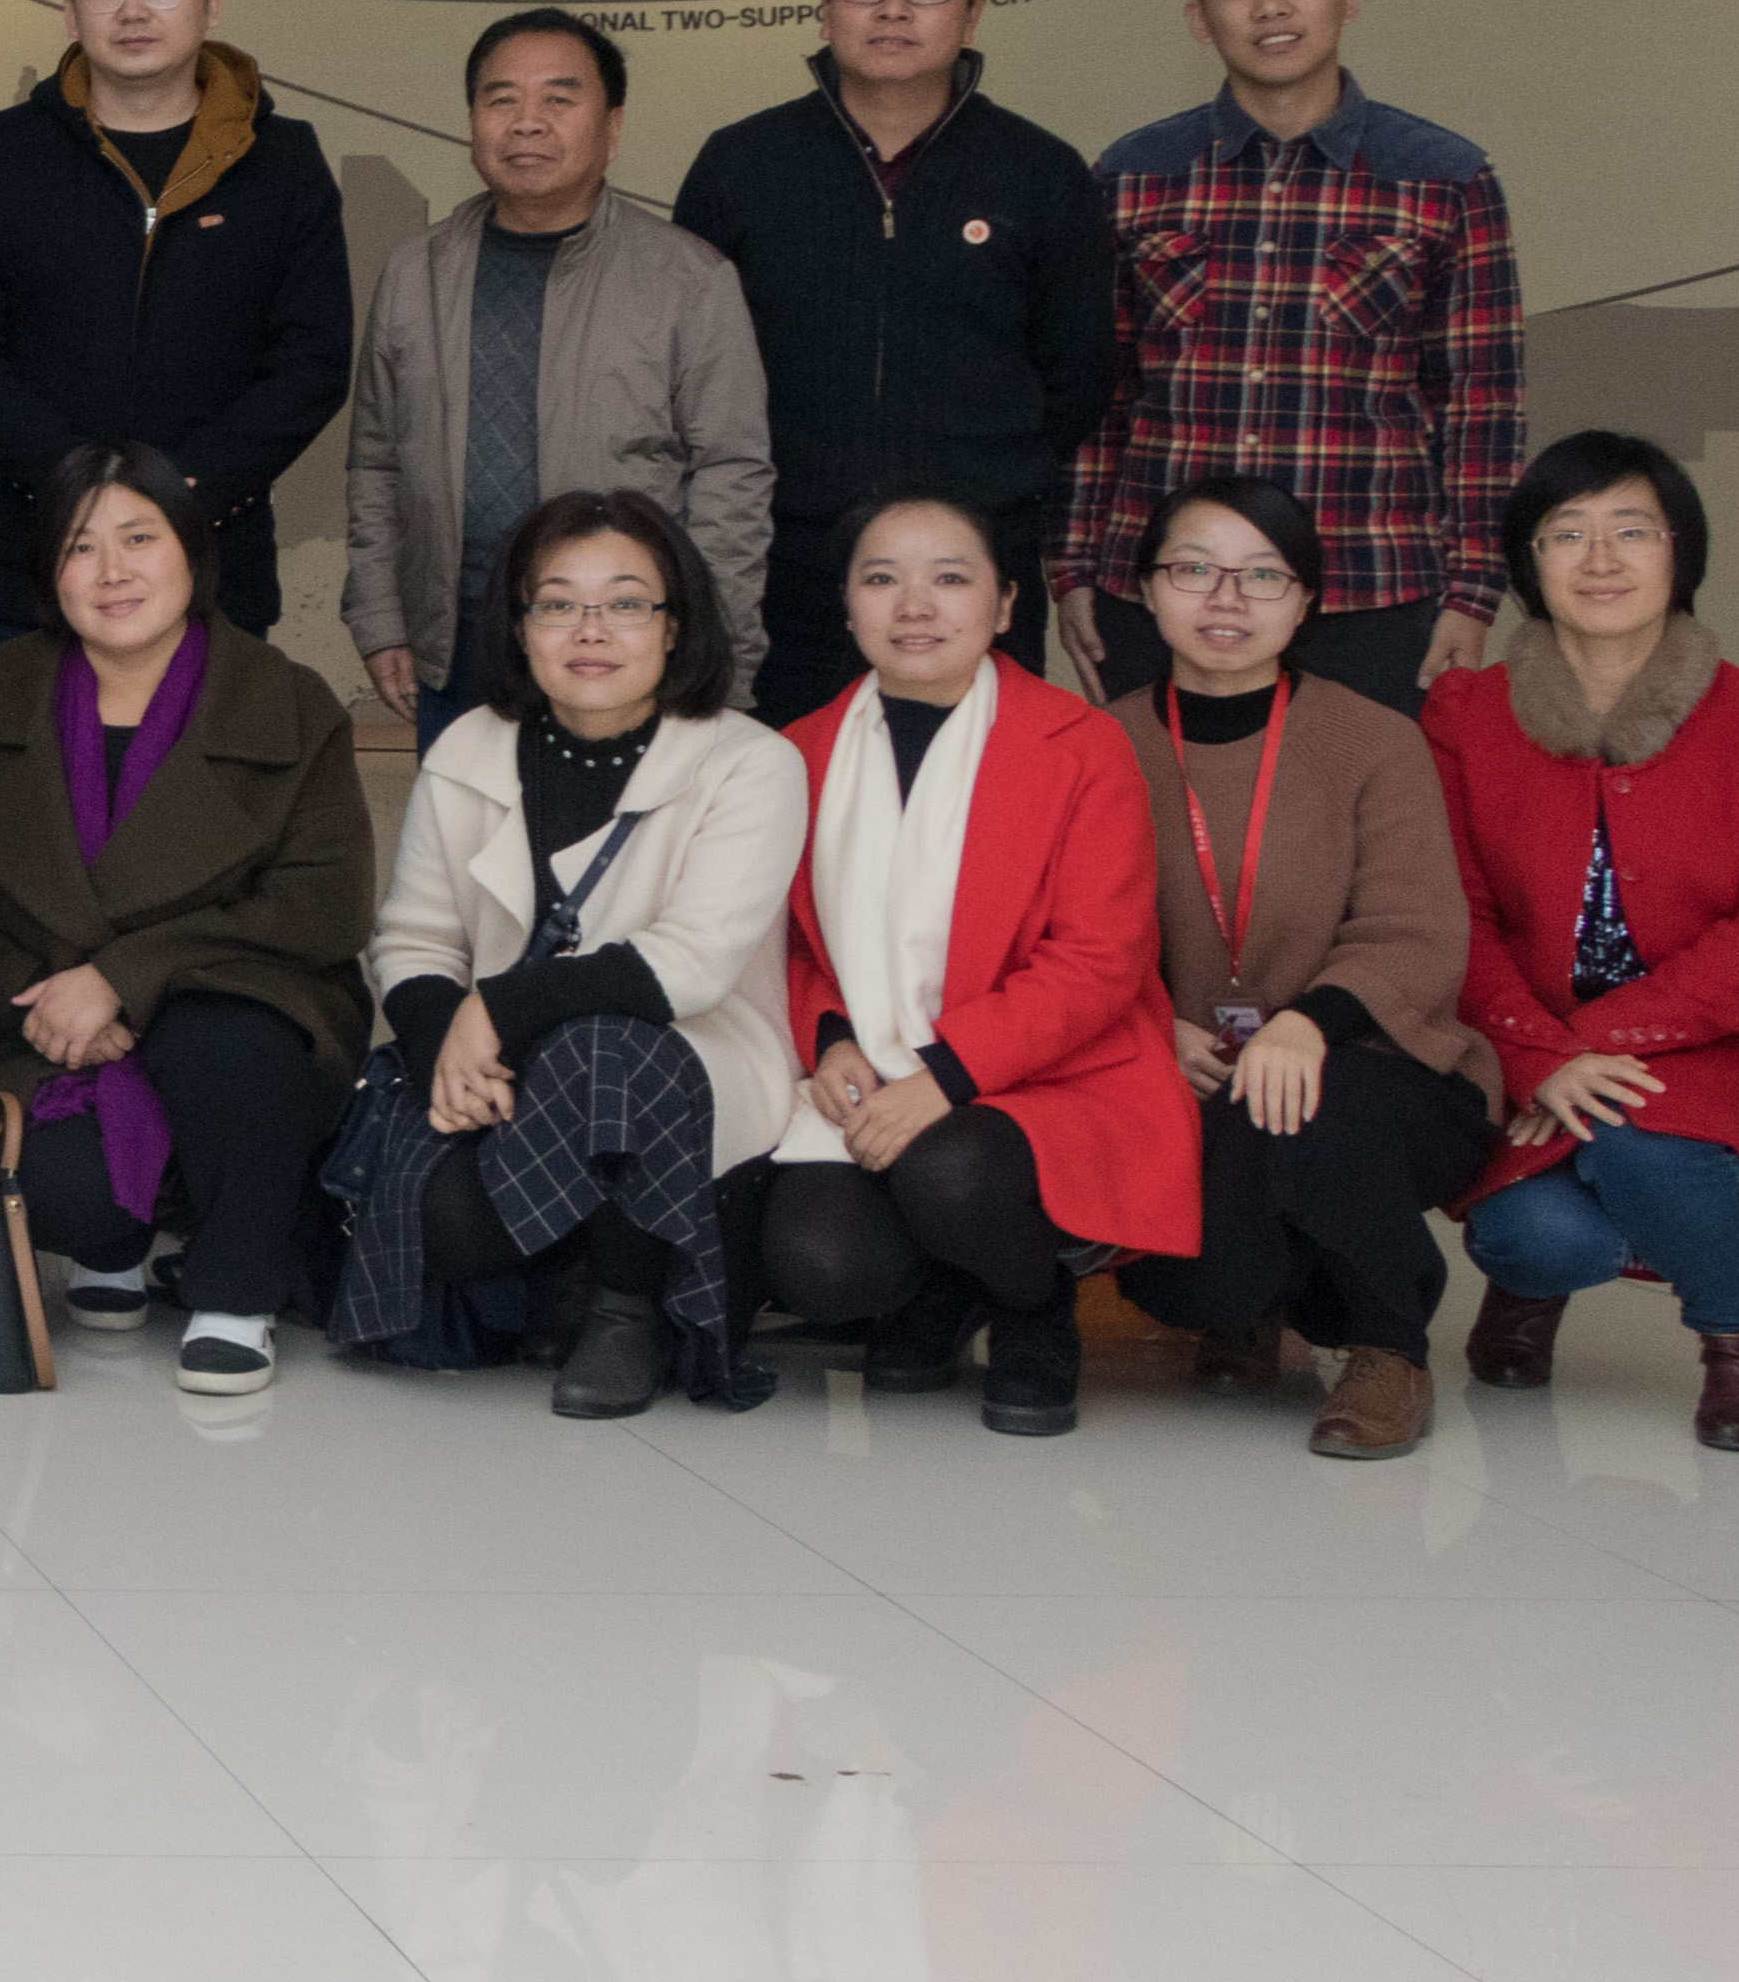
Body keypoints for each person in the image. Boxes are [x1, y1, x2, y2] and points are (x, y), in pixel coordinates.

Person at [324, 492, 812, 1416]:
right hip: (502, 1066)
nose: (591, 630)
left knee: (603, 1051)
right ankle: (563, 1274)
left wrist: (498, 1009)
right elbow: (416, 936)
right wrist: (445, 1048)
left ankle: (625, 1311)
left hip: (689, 1059)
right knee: (446, 1222)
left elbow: (692, 963)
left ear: (674, 626)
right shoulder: (471, 746)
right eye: (557, 604)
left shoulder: (750, 762)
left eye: (626, 602)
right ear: (520, 628)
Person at [0, 442, 375, 1392]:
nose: (112, 571)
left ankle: (237, 1292)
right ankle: (111, 1245)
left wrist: (124, 977)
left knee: (225, 1044)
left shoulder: (287, 703)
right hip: (47, 1024)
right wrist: (51, 999)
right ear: (50, 573)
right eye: (81, 547)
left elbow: (323, 903)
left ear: (193, 553)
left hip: (246, 1014)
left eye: (140, 538)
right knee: (62, 1187)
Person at [765, 494, 1199, 1436]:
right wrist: (830, 1036)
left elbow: (1101, 959)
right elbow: (792, 940)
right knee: (823, 1268)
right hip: (871, 1072)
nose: (914, 605)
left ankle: (1031, 1306)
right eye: (882, 579)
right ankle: (948, 1284)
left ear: (1005, 605)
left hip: (1051, 1073)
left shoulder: (1082, 745)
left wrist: (945, 1076)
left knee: (951, 1173)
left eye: (950, 579)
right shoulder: (800, 751)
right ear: (847, 606)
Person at [1099, 474, 1502, 1460]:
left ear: (1307, 599)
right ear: (1147, 589)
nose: (1226, 598)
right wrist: (1151, 1026)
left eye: (1262, 575)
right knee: (1188, 1283)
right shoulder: (1099, 744)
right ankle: (1256, 1300)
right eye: (1194, 569)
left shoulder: (1375, 739)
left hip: (1376, 1067)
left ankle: (1388, 1345)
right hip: (1184, 1067)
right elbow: (1068, 932)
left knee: (1314, 1106)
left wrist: (1307, 1023)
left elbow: (1417, 930)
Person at [1063, 0, 1524, 717]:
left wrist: (1474, 591)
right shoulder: (1133, 175)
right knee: (1154, 801)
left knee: (1366, 800)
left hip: (1371, 590)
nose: (1270, 6)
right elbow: (1099, 391)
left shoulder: (1443, 177)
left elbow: (1480, 401)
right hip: (1166, 591)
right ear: (1200, 19)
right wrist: (1072, 568)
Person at [670, 0, 1110, 722]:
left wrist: (981, 483)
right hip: (784, 562)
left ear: (973, 11)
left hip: (972, 566)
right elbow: (686, 369)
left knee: (974, 788)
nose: (894, 9)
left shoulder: (1040, 172)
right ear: (825, 6)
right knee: (781, 781)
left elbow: (1078, 371)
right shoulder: (742, 165)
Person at [0, 0, 353, 646]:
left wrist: (178, 495)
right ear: (71, 11)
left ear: (212, 3)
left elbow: (311, 363)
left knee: (208, 732)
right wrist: (79, 490)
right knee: (35, 733)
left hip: (215, 566)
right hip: (40, 569)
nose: (132, 7)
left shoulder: (283, 162)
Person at [1435, 433, 1739, 1454]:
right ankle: (1530, 1289)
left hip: (1702, 1049)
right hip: (1523, 1046)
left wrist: (1593, 1047)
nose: (1601, 558)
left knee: (1638, 1136)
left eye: (1631, 530)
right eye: (1566, 533)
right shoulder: (1465, 714)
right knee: (1534, 1234)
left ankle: (1737, 1342)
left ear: (1680, 551)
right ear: (1529, 561)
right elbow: (1449, 910)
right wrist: (1539, 1056)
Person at [345, 7, 777, 736]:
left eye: (558, 99)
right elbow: (377, 461)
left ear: (612, 129)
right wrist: (382, 618)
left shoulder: (689, 279)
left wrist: (714, 658)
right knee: (465, 815)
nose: (527, 123)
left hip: (624, 643)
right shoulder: (417, 272)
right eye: (501, 99)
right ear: (472, 123)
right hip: (459, 639)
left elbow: (732, 476)